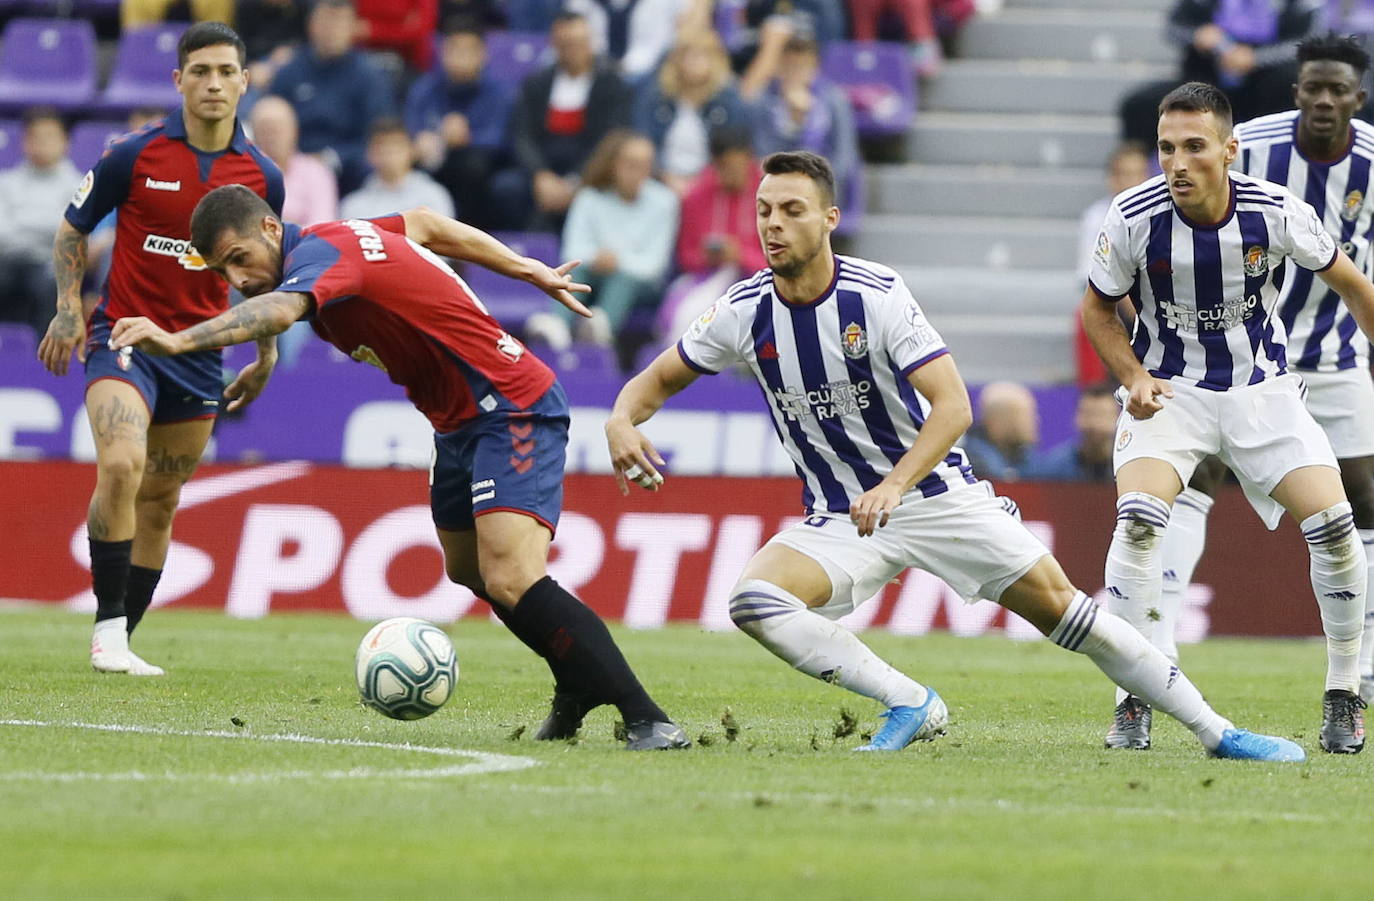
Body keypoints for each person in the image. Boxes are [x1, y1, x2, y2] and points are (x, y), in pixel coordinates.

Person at [605, 149, 1305, 762]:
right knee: (754, 600)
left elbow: (953, 407)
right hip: (842, 518)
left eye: (792, 210)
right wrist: (621, 418)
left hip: (937, 497)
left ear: (830, 219)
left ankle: (1218, 731)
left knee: (1071, 616)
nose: (773, 225)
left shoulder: (876, 296)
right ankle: (910, 701)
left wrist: (895, 484)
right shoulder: (742, 309)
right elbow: (658, 378)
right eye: (764, 211)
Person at [109, 185, 691, 751]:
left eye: (239, 259)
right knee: (470, 570)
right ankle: (577, 682)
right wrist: (525, 269)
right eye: (222, 272)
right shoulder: (335, 241)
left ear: (270, 228)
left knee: (513, 576)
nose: (236, 279)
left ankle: (647, 717)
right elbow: (427, 225)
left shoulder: (324, 254)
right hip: (456, 422)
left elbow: (282, 309)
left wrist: (179, 341)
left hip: (512, 404)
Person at [1081, 82, 1374, 756]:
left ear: (1230, 150)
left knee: (1335, 528)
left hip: (1262, 394)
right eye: (1166, 149)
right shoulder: (1132, 216)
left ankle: (1343, 692)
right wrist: (1133, 377)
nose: (1177, 163)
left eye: (1194, 147)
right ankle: (1132, 698)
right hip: (1171, 395)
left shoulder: (1276, 211)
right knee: (1139, 519)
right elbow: (1097, 308)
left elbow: (1355, 286)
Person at [36, 23, 284, 676]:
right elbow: (73, 228)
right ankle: (107, 629)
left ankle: (122, 636)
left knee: (162, 499)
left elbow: (264, 274)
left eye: (225, 71)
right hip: (122, 339)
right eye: (199, 71)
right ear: (178, 81)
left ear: (245, 81)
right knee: (122, 465)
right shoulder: (133, 154)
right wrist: (68, 308)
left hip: (199, 355)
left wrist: (266, 353)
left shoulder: (263, 176)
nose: (213, 83)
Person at [1149, 36, 1374, 714]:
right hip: (1241, 350)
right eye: (1313, 87)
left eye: (1337, 90)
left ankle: (1362, 665)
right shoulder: (1248, 144)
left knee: (1362, 494)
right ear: (1297, 90)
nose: (1324, 100)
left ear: (1358, 98)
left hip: (1335, 353)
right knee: (1197, 474)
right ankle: (1158, 648)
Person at [1119, 0, 1318, 148]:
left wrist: (1254, 58)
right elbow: (1174, 28)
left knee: (1294, 93)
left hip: (1266, 92)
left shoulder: (1296, 4)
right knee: (1139, 107)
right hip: (1205, 86)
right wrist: (1198, 35)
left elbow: (1302, 44)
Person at [554, 130, 678, 355]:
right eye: (631, 164)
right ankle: (555, 327)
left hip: (642, 286)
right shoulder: (589, 196)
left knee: (623, 280)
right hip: (592, 275)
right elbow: (572, 250)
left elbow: (654, 265)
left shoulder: (665, 201)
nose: (637, 173)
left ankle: (599, 331)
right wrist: (596, 258)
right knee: (574, 273)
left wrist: (617, 262)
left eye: (645, 165)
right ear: (613, 164)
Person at [509, 11, 632, 229]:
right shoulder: (537, 83)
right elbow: (522, 135)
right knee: (506, 189)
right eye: (566, 44)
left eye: (579, 44)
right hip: (543, 169)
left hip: (590, 170)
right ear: (555, 45)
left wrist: (575, 181)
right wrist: (540, 174)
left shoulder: (611, 84)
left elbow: (609, 139)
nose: (573, 51)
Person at [268, 0, 394, 194]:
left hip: (352, 177)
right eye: (326, 21)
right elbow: (270, 118)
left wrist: (332, 158)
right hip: (292, 171)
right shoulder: (290, 71)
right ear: (311, 24)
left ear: (354, 27)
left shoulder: (369, 76)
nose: (332, 30)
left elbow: (378, 136)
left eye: (340, 22)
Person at [404, 16, 517, 231]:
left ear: (483, 54)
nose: (460, 57)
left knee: (475, 167)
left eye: (468, 50)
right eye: (454, 49)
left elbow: (502, 140)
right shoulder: (425, 89)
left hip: (481, 172)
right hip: (434, 163)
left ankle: (470, 236)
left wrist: (466, 138)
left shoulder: (500, 93)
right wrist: (426, 140)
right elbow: (411, 130)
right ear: (442, 52)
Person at [658, 125, 765, 343]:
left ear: (749, 158)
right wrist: (708, 257)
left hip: (760, 282)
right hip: (704, 278)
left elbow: (782, 261)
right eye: (722, 168)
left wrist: (740, 255)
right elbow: (686, 256)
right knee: (679, 317)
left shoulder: (771, 193)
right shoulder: (698, 195)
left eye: (735, 166)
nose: (729, 175)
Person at [740, 29, 859, 209]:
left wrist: (817, 185)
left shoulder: (834, 100)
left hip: (823, 189)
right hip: (776, 189)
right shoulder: (764, 102)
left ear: (815, 67)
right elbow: (761, 154)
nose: (795, 72)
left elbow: (844, 155)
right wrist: (794, 122)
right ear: (779, 65)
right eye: (789, 65)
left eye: (802, 66)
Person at [633, 29, 753, 196]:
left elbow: (734, 150)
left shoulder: (729, 101)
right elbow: (643, 140)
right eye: (687, 56)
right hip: (660, 181)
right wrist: (665, 177)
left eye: (701, 55)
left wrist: (702, 183)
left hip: (713, 184)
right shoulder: (656, 97)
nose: (694, 62)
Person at [1075, 143, 1151, 386]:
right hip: (1116, 304)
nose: (1131, 182)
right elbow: (1094, 277)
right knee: (1087, 315)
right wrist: (1140, 315)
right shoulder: (1097, 218)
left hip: (1155, 305)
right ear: (1111, 179)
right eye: (1124, 174)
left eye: (1136, 174)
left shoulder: (1159, 213)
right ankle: (1097, 393)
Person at [0, 108, 81, 336]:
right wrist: (45, 227)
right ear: (24, 142)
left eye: (49, 137)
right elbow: (2, 232)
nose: (42, 143)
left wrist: (21, 221)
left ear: (65, 142)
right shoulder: (5, 183)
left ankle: (43, 355)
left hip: (51, 263)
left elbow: (69, 232)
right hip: (7, 259)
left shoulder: (79, 185)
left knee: (51, 283)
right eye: (35, 137)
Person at [249, 95, 338, 227]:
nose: (272, 136)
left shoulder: (317, 172)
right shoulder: (244, 174)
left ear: (294, 131)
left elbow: (323, 224)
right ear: (254, 135)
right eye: (265, 129)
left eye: (278, 128)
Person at [339, 119, 455, 220]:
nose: (389, 154)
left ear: (411, 150)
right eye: (381, 148)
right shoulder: (353, 205)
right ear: (369, 153)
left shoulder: (433, 196)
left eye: (396, 147)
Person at [1023, 384, 1117, 482]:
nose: (1094, 424)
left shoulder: (1125, 467)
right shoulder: (1052, 469)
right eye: (1088, 414)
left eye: (1102, 415)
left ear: (1117, 419)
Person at [959, 381, 1040, 482]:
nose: (1034, 420)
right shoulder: (974, 460)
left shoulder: (1022, 454)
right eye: (1024, 416)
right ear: (996, 421)